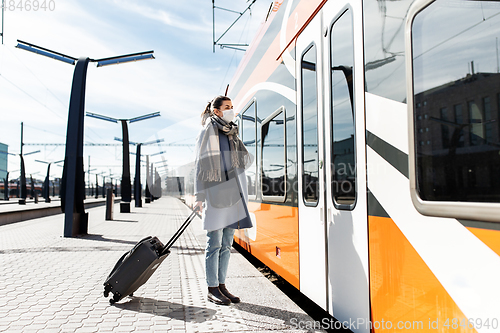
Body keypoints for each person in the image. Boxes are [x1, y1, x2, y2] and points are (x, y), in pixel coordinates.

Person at [194, 95, 253, 305]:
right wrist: (199, 196)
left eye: (232, 107)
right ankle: (212, 288)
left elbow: (241, 162)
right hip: (216, 193)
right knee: (214, 243)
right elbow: (200, 166)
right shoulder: (207, 132)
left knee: (227, 244)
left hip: (234, 193)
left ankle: (222, 286)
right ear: (216, 111)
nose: (231, 110)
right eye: (227, 107)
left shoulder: (232, 132)